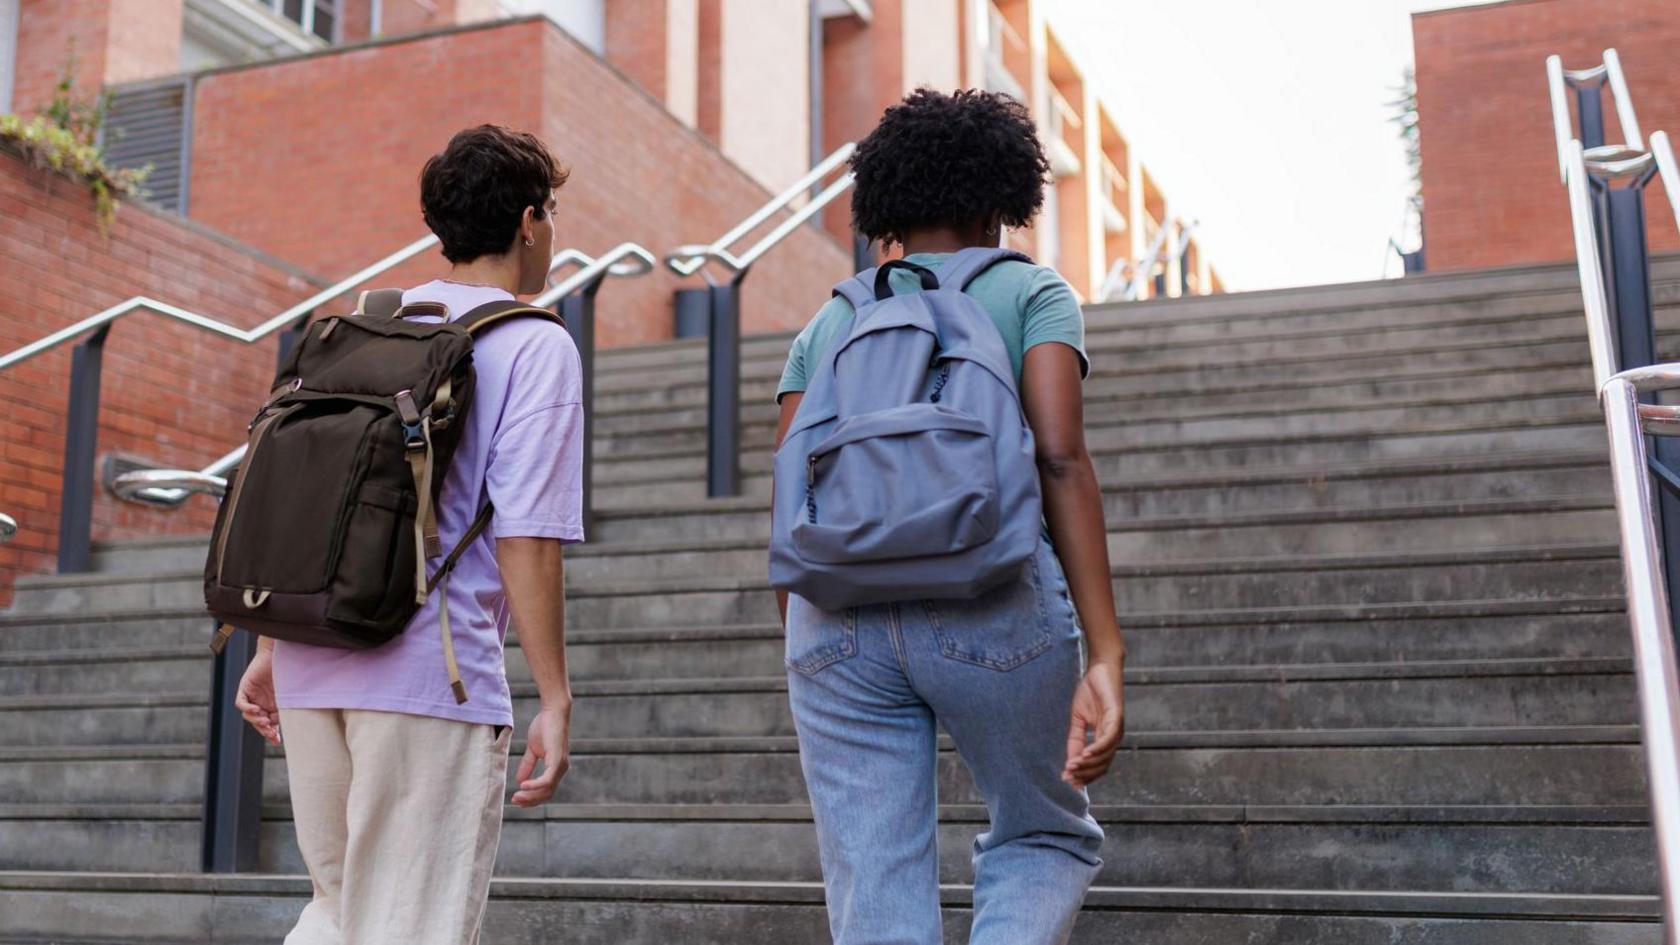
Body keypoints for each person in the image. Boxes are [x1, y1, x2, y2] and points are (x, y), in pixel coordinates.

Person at [773, 88, 1127, 945]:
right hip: (991, 591)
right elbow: (1058, 457)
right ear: (1000, 194)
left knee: (873, 874)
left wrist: (807, 638)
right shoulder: (1032, 293)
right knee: (1042, 830)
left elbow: (791, 492)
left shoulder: (832, 319)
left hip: (835, 618)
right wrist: (1105, 648)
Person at [232, 124, 583, 945]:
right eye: (553, 215)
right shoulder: (534, 343)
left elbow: (311, 493)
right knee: (410, 925)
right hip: (433, 678)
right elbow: (527, 536)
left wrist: (273, 648)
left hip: (318, 663)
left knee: (338, 910)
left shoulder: (365, 326)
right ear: (530, 222)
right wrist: (555, 696)